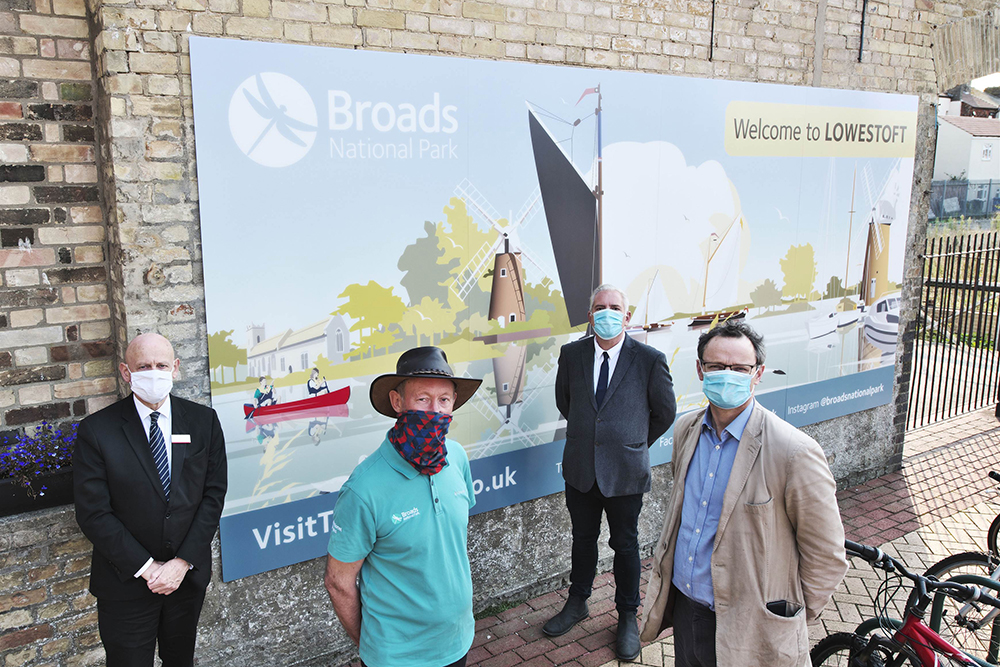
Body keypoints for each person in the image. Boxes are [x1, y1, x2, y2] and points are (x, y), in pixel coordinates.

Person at [640, 319, 848, 666]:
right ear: (700, 370)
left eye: (739, 368)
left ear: (758, 373)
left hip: (749, 627)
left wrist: (785, 617)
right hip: (687, 612)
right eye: (717, 366)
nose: (728, 374)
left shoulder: (793, 451)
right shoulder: (686, 430)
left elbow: (826, 553)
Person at [73, 333, 228, 667]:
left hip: (184, 580)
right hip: (125, 583)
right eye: (143, 366)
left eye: (161, 365)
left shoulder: (203, 422)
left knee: (180, 660)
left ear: (175, 369)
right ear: (126, 372)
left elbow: (213, 496)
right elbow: (93, 513)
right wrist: (148, 569)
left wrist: (181, 563)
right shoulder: (97, 431)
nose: (153, 373)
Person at [323, 346, 482, 667]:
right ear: (397, 402)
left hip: (457, 641)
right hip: (396, 657)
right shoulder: (364, 488)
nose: (434, 411)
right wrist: (372, 645)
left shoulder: (458, 458)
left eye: (444, 400)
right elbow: (339, 582)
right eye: (422, 399)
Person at [544, 284, 676, 661]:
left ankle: (627, 616)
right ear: (590, 315)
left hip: (625, 472)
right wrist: (595, 439)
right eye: (599, 307)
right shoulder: (571, 355)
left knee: (626, 545)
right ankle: (578, 602)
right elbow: (565, 401)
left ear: (627, 316)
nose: (607, 312)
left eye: (614, 307)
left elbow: (664, 412)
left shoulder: (649, 359)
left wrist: (632, 443)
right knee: (582, 539)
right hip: (581, 469)